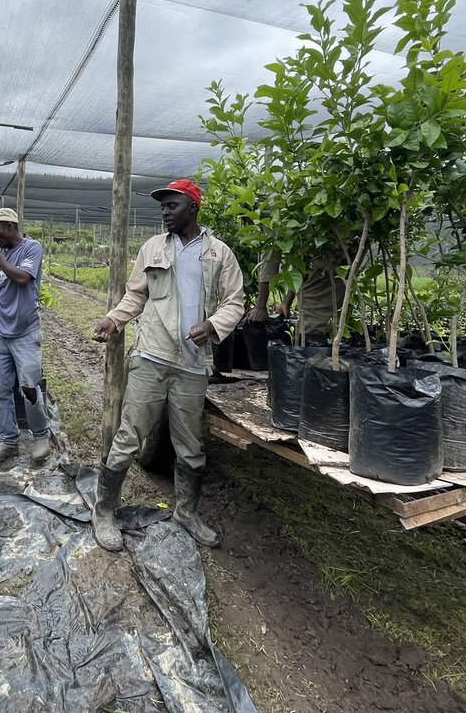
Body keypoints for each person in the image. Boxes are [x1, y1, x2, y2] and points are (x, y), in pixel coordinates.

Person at [92, 178, 244, 551]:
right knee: (130, 436)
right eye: (162, 206)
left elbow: (235, 301)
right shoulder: (153, 248)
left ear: (192, 207)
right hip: (153, 356)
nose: (164, 212)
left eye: (171, 205)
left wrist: (213, 325)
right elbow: (136, 294)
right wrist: (115, 319)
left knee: (190, 445)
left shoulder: (218, 254)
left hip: (193, 366)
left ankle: (187, 512)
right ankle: (105, 510)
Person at [0, 207, 51, 466]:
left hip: (25, 332)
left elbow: (23, 278)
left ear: (11, 227)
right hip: (1, 334)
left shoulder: (31, 248)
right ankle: (8, 441)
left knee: (29, 388)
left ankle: (40, 436)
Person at [246, 253, 343, 343]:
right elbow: (303, 262)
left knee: (311, 320)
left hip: (336, 249)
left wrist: (260, 305)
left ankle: (315, 358)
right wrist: (286, 302)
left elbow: (271, 251)